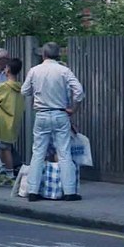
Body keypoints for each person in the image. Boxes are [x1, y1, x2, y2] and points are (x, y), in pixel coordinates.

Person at [22, 42, 84, 202]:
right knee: (64, 153)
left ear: (43, 55)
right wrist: (73, 109)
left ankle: (33, 191)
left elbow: (24, 91)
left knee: (38, 153)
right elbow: (79, 92)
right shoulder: (64, 71)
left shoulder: (34, 71)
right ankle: (70, 192)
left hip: (41, 114)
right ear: (58, 55)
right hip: (60, 114)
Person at [0, 57, 24, 185]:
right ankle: (7, 173)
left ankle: (9, 175)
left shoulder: (4, 86)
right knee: (6, 147)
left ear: (8, 70)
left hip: (4, 120)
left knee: (4, 148)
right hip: (14, 120)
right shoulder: (20, 87)